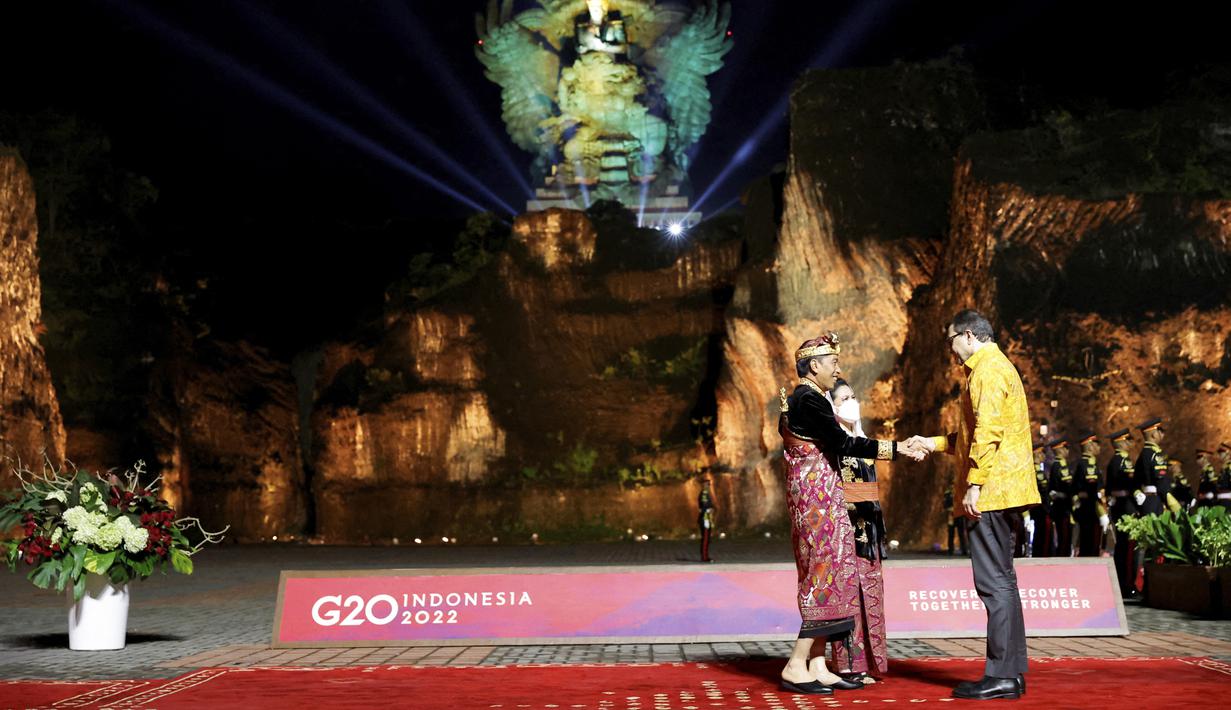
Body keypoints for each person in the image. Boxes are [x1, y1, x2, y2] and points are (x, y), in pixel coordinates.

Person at [777, 332, 923, 695]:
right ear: (814, 366)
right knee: (823, 579)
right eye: (833, 363)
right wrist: (896, 448)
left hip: (820, 501)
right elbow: (843, 444)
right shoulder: (808, 400)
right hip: (818, 504)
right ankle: (796, 663)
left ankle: (817, 664)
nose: (837, 368)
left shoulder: (808, 398)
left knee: (833, 574)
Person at [911, 309, 1037, 700]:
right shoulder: (996, 368)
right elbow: (972, 433)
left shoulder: (986, 372)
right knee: (1005, 581)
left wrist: (974, 484)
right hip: (1005, 493)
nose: (949, 349)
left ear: (968, 335)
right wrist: (932, 443)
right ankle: (1011, 672)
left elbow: (988, 433)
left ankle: (1000, 675)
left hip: (992, 493)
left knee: (993, 583)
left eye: (950, 340)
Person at [829, 379, 889, 684]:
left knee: (872, 598)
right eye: (842, 399)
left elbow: (870, 492)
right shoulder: (835, 445)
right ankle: (852, 667)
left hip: (869, 533)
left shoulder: (863, 441)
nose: (851, 403)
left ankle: (875, 664)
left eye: (854, 396)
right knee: (850, 600)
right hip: (848, 535)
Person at [1104, 428, 1140, 598]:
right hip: (1126, 506)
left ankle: (1124, 583)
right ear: (1121, 442)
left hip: (1122, 505)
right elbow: (1128, 483)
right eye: (1128, 440)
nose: (1130, 443)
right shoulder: (1122, 461)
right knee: (1127, 547)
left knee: (1124, 546)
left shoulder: (1115, 461)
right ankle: (1126, 584)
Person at [1073, 432, 1109, 557]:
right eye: (1096, 444)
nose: (1098, 448)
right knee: (1088, 541)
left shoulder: (1092, 464)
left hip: (1092, 506)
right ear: (1089, 446)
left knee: (1093, 541)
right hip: (1088, 507)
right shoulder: (1084, 465)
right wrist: (1101, 511)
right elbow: (1089, 490)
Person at [1134, 418, 1179, 516]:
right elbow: (1160, 480)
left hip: (1146, 501)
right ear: (1153, 434)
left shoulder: (1143, 454)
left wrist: (1137, 493)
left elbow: (1135, 480)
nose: (1162, 434)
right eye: (1160, 430)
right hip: (1156, 500)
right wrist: (1171, 502)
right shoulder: (1155, 454)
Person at [1047, 437, 1075, 557]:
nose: (1067, 451)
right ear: (1060, 450)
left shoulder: (1063, 465)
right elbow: (1060, 487)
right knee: (1063, 538)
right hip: (1061, 508)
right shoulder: (1057, 466)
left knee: (1067, 538)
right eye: (1066, 448)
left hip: (1066, 507)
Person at [1026, 442, 1050, 557]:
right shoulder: (1034, 472)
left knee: (1042, 535)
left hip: (1040, 508)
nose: (1043, 456)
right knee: (1042, 536)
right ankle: (1040, 555)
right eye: (1042, 453)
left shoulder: (1038, 471)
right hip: (1040, 509)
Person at [945, 486, 968, 556]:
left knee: (961, 534)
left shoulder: (961, 491)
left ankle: (964, 550)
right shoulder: (948, 493)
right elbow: (945, 505)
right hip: (951, 517)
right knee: (951, 534)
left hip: (959, 516)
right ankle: (950, 550)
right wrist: (950, 509)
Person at [698, 476, 715, 562]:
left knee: (707, 539)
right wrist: (709, 509)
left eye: (709, 484)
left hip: (707, 518)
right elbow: (704, 506)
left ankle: (705, 555)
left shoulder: (706, 493)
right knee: (705, 539)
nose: (708, 486)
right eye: (707, 484)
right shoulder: (704, 494)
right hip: (705, 518)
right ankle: (704, 557)